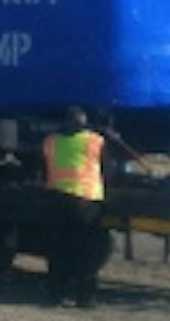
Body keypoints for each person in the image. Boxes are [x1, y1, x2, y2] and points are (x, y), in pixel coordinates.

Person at [39, 106, 141, 306]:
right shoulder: (94, 141)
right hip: (86, 203)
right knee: (87, 252)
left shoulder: (50, 141)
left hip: (57, 201)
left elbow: (44, 168)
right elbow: (109, 168)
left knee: (58, 250)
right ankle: (84, 298)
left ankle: (55, 296)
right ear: (84, 124)